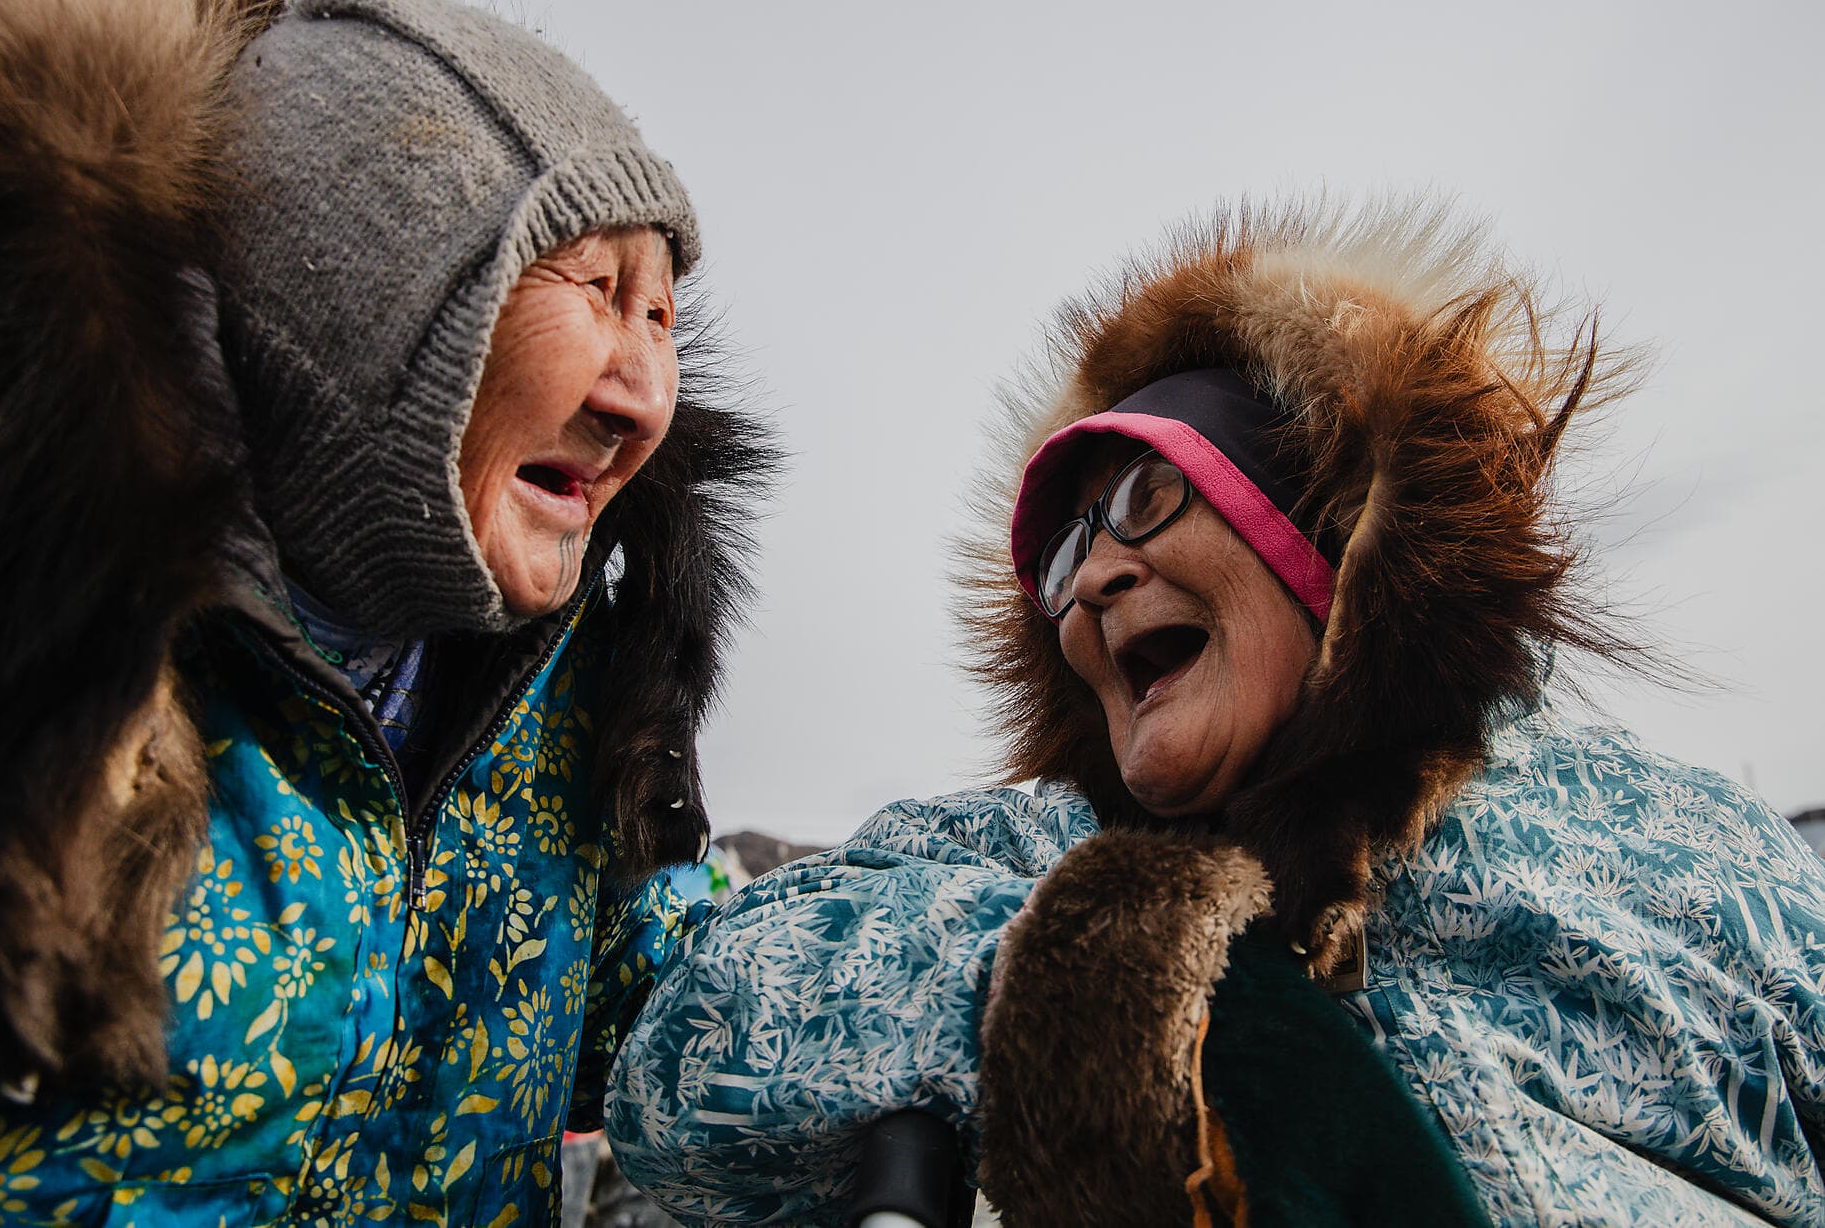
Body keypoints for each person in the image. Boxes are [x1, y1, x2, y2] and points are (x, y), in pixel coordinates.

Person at [607, 202, 1825, 1226]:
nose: (1087, 583)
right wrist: (1118, 990)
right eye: (1062, 558)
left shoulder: (1696, 847)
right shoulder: (1045, 860)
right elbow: (681, 1064)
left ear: (1329, 523)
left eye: (1143, 494)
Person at [0, 0, 773, 1224]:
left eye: (662, 313)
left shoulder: (572, 703)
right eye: (596, 291)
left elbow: (679, 1018)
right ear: (366, 308)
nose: (645, 393)